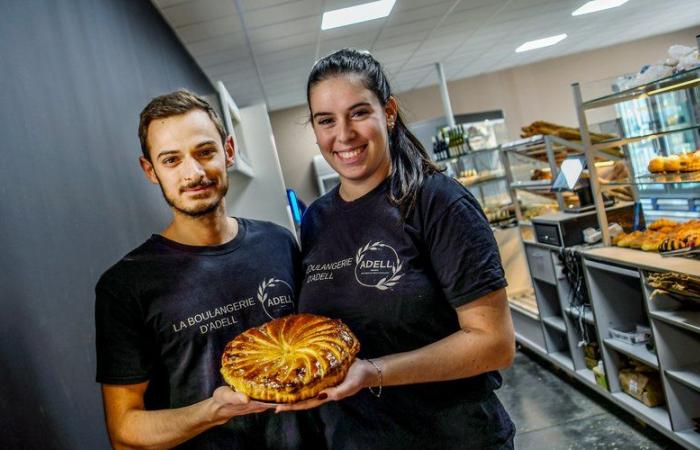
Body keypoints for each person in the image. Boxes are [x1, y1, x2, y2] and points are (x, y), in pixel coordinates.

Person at [276, 49, 517, 449]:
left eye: (358, 113)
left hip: (451, 437)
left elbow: (494, 343)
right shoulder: (317, 218)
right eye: (326, 120)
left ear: (387, 112)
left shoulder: (437, 203)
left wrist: (374, 372)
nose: (344, 135)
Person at [94, 90, 311, 449]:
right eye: (171, 160)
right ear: (150, 170)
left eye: (205, 152)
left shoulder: (278, 242)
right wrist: (213, 410)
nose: (193, 173)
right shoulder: (125, 286)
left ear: (228, 151)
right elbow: (124, 430)